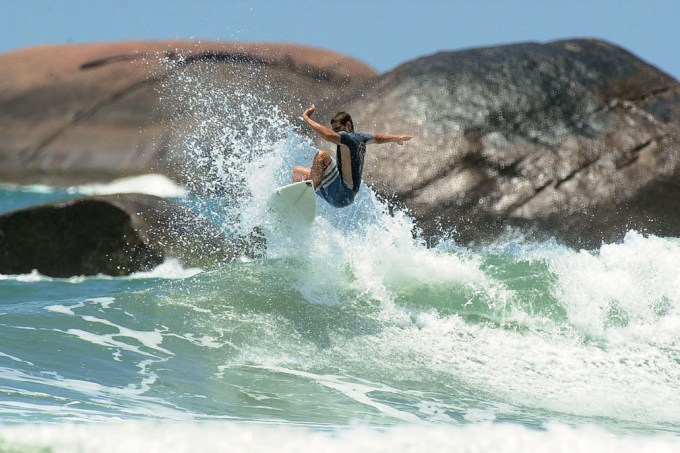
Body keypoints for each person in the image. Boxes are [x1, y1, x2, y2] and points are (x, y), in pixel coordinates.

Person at [293, 105, 412, 208]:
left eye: (338, 129)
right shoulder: (362, 138)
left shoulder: (348, 138)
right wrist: (397, 138)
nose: (337, 133)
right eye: (334, 130)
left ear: (348, 126)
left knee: (322, 156)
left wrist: (307, 118)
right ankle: (297, 201)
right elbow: (378, 138)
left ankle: (304, 196)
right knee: (297, 172)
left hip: (342, 193)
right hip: (341, 193)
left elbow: (327, 136)